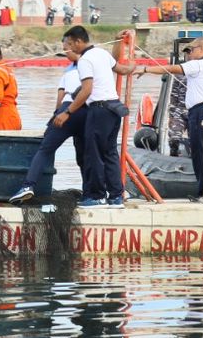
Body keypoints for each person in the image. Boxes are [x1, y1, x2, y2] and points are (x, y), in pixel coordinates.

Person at [13, 26, 142, 208]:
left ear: (78, 41)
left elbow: (87, 89)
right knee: (110, 154)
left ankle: (96, 196)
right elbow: (120, 68)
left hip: (98, 109)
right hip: (114, 109)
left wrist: (66, 112)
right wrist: (133, 66)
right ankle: (116, 196)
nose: (70, 49)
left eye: (70, 45)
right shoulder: (102, 53)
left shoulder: (84, 60)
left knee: (94, 155)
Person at [139, 38, 203, 201]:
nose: (189, 54)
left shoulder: (199, 64)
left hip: (200, 111)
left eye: (191, 50)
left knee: (200, 152)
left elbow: (171, 68)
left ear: (201, 49)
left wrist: (146, 69)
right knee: (201, 151)